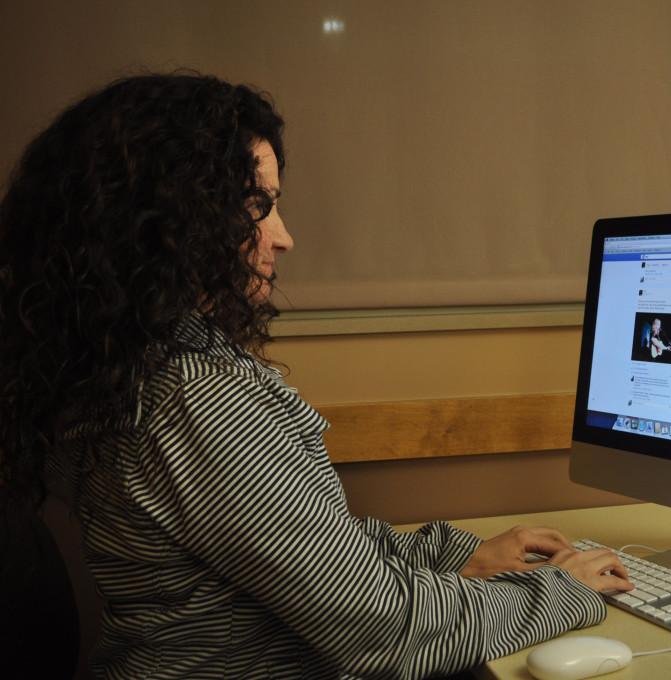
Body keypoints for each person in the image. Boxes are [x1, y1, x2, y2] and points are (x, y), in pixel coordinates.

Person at [0, 73, 632, 679]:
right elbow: (380, 627)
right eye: (258, 206)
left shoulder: (131, 366)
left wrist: (455, 554)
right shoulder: (195, 397)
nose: (283, 236)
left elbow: (312, 547)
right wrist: (561, 590)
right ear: (166, 224)